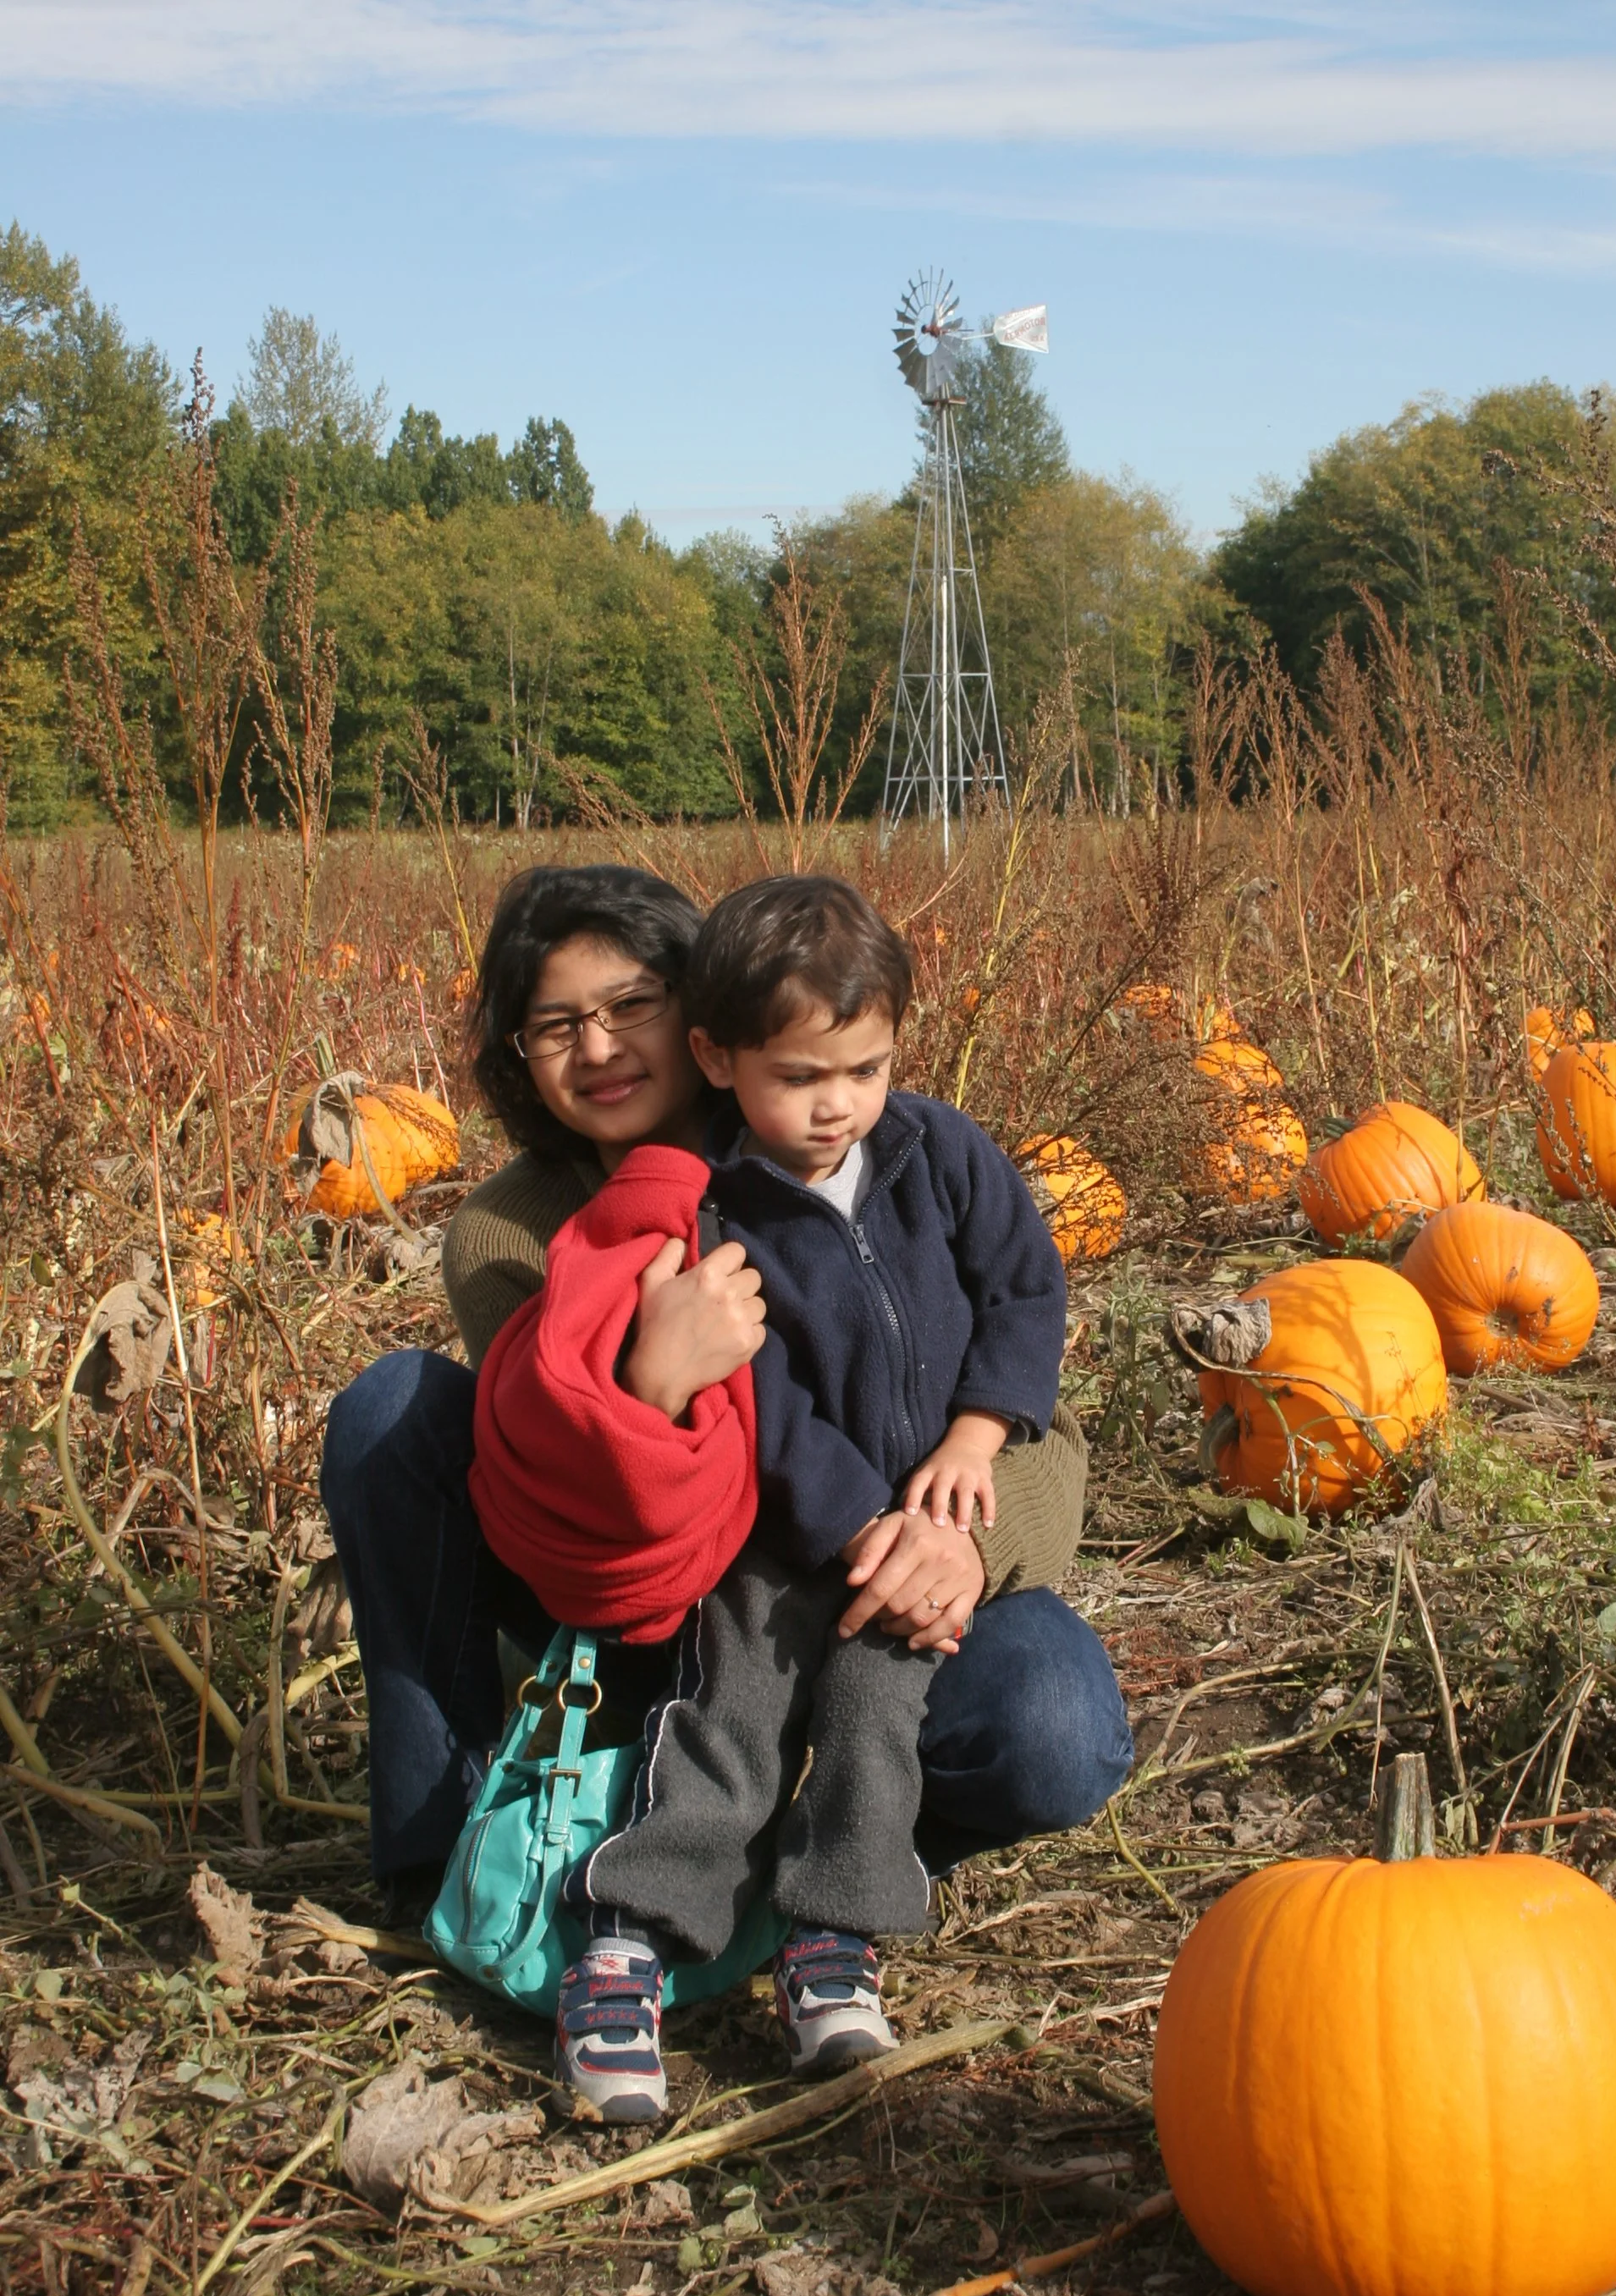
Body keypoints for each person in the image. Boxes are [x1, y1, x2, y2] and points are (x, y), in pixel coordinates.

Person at [319, 864, 1133, 2122]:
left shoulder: (860, 1152)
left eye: (629, 1003)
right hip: (659, 1599)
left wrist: (955, 1540)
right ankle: (468, 1845)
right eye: (554, 1024)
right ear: (514, 1053)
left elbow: (1033, 1387)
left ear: (696, 1017)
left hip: (876, 1574)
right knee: (389, 1412)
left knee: (1056, 1722)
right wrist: (651, 1384)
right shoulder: (518, 1230)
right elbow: (568, 1479)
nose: (598, 1047)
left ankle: (829, 1881)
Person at [497, 875, 1067, 2107]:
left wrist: (975, 1442)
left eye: (863, 1071)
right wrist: (861, 1521)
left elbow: (1025, 1294)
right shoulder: (704, 1211)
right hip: (779, 1540)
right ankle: (627, 1942)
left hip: (917, 1531)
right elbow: (760, 1409)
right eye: (804, 1080)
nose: (838, 1108)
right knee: (724, 1729)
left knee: (875, 1718)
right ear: (720, 1059)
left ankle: (831, 1942)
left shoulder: (937, 1151)